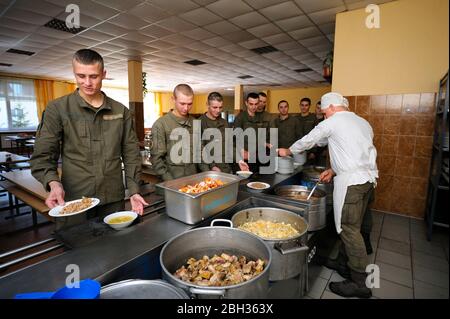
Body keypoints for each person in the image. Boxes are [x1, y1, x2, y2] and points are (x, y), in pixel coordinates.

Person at [31, 49, 148, 229]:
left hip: (112, 198)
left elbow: (131, 154)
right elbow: (44, 156)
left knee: (114, 248)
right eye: (81, 76)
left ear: (103, 74)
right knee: (77, 249)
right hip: (74, 199)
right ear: (74, 73)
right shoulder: (58, 109)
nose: (87, 83)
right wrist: (54, 184)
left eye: (93, 76)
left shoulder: (120, 112)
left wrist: (133, 191)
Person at [278, 92, 378, 298]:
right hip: (368, 180)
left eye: (324, 112)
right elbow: (355, 152)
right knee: (354, 226)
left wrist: (287, 151)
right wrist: (333, 170)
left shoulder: (334, 121)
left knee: (350, 230)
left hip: (353, 183)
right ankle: (343, 263)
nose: (324, 116)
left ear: (332, 107)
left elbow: (309, 140)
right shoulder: (362, 122)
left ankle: (360, 283)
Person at [151, 84, 202, 181]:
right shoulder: (160, 124)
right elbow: (157, 160)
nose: (186, 108)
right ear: (173, 99)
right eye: (182, 104)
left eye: (190, 104)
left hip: (193, 182)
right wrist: (172, 183)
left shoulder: (195, 122)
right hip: (171, 182)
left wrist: (209, 171)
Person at [199, 92, 249, 173]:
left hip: (226, 168)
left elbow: (230, 146)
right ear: (207, 104)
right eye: (214, 107)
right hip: (209, 170)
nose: (218, 110)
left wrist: (239, 160)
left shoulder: (225, 123)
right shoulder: (200, 123)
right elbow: (200, 150)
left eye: (220, 107)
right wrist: (212, 166)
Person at [233, 92, 270, 172]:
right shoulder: (240, 118)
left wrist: (265, 144)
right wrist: (242, 150)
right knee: (244, 181)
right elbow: (236, 138)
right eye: (251, 104)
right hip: (244, 156)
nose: (254, 107)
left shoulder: (259, 117)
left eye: (256, 104)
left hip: (256, 156)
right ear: (246, 103)